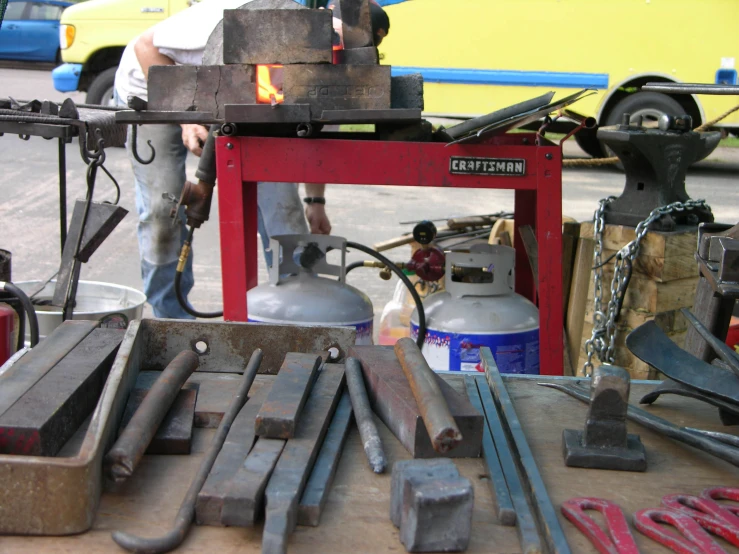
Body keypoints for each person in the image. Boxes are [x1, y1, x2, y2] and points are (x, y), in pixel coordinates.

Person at [115, 0, 389, 319]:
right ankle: (171, 317)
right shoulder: (239, 17)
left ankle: (291, 317)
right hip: (153, 93)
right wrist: (187, 121)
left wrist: (315, 202)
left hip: (241, 102)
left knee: (284, 212)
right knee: (163, 212)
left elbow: (316, 142)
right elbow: (145, 46)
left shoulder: (331, 76)